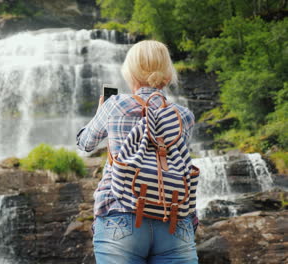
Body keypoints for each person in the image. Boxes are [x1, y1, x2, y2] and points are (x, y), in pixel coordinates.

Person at [76, 40, 198, 264]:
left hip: (121, 214)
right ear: (168, 75)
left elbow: (85, 143)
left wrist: (100, 112)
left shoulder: (115, 105)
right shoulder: (184, 116)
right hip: (174, 216)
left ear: (130, 74)